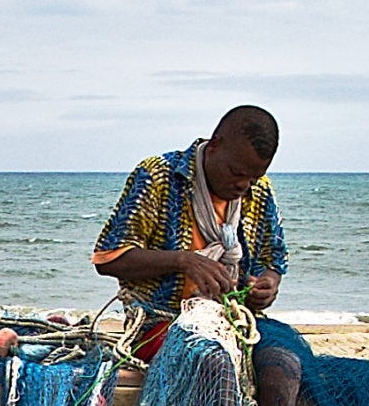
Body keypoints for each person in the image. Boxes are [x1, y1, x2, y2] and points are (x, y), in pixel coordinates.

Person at [90, 106, 287, 360]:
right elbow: (108, 258)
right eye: (237, 173)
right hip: (161, 324)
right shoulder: (159, 177)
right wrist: (184, 261)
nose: (243, 185)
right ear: (214, 146)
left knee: (285, 361)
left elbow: (274, 260)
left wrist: (266, 285)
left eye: (254, 177)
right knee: (213, 360)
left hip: (236, 322)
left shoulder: (259, 191)